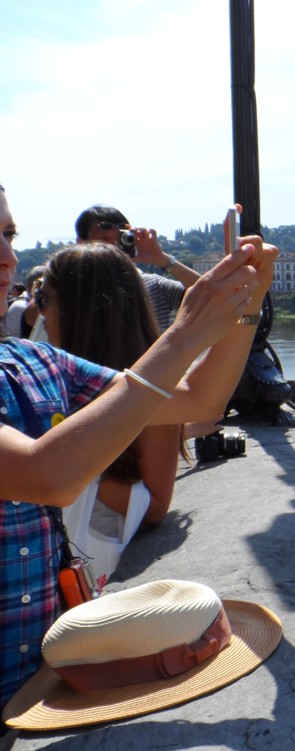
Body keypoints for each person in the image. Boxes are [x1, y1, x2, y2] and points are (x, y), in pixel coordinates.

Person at [0, 183, 277, 711]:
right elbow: (49, 478)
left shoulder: (35, 362)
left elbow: (201, 397)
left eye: (9, 234)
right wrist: (184, 334)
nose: (10, 257)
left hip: (50, 682)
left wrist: (247, 304)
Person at [37, 244, 183, 528]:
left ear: (76, 310)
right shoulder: (41, 371)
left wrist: (53, 469)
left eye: (42, 298)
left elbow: (155, 506)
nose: (38, 311)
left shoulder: (147, 389)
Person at [75, 205, 201, 331]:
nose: (114, 246)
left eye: (120, 238)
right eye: (104, 239)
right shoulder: (69, 290)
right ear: (81, 243)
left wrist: (163, 260)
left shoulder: (153, 285)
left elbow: (211, 295)